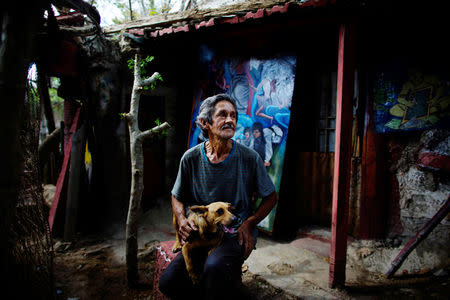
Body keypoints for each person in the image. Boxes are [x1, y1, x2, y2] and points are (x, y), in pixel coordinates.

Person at [159, 94, 278, 300]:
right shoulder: (191, 158)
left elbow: (271, 197)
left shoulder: (250, 158)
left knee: (213, 268)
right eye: (222, 115)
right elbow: (176, 195)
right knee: (168, 282)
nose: (230, 120)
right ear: (205, 123)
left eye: (233, 115)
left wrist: (250, 223)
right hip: (202, 232)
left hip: (235, 233)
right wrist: (181, 219)